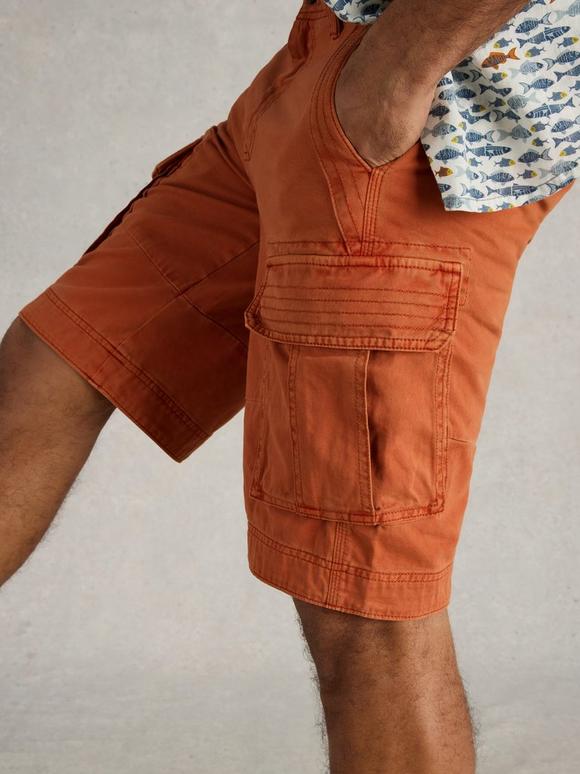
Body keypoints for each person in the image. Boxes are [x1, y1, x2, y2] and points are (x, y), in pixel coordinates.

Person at [1, 0, 578, 771]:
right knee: (58, 356)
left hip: (424, 120)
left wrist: (397, 70)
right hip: (314, 74)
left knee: (363, 600)